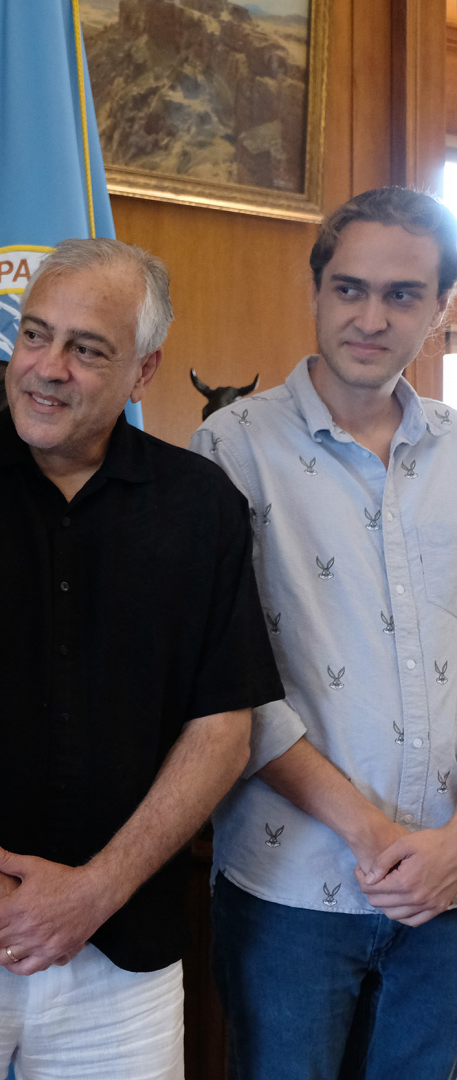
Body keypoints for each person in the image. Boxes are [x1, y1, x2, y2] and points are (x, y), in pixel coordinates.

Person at [0, 237, 285, 1080]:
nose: (46, 367)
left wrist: (92, 893)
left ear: (142, 372)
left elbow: (222, 731)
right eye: (34, 335)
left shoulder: (201, 506)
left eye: (85, 348)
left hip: (121, 952)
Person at [190, 186, 457, 1079]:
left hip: (450, 889)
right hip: (290, 889)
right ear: (314, 290)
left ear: (442, 307)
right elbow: (222, 681)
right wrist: (368, 831)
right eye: (348, 289)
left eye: (402, 294)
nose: (370, 317)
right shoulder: (229, 449)